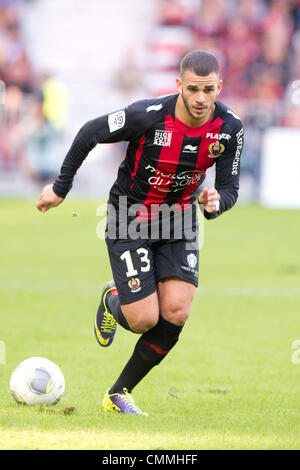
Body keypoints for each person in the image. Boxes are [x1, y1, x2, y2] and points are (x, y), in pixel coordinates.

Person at [36, 50, 244, 416]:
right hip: (130, 216)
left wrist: (215, 202)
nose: (200, 98)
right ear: (179, 85)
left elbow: (228, 188)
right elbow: (89, 132)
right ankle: (111, 299)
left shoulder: (229, 128)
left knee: (177, 311)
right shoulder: (145, 116)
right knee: (143, 320)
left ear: (218, 87)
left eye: (208, 90)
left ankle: (119, 393)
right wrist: (60, 188)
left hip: (179, 219)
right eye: (193, 89)